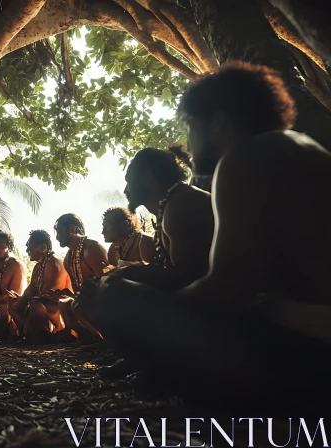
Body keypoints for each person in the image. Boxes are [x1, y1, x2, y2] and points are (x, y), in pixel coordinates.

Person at [93, 63, 331, 405]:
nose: (188, 143)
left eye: (191, 127)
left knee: (116, 298)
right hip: (305, 337)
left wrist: (151, 315)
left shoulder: (246, 159)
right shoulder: (295, 148)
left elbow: (225, 289)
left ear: (218, 121)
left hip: (312, 357)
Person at [108, 144, 214, 291]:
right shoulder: (171, 204)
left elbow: (188, 277)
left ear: (148, 177)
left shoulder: (181, 205)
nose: (126, 189)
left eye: (130, 180)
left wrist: (128, 273)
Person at [8, 230, 76, 344]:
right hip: (39, 302)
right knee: (12, 303)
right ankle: (30, 337)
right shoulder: (38, 267)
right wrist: (21, 298)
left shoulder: (54, 263)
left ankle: (50, 337)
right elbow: (31, 289)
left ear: (43, 247)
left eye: (30, 247)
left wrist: (25, 299)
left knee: (36, 305)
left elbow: (50, 294)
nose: (27, 251)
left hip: (57, 306)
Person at [55, 214, 108, 294]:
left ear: (72, 229)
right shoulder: (68, 259)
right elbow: (77, 292)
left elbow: (107, 287)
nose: (57, 237)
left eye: (59, 231)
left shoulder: (92, 250)